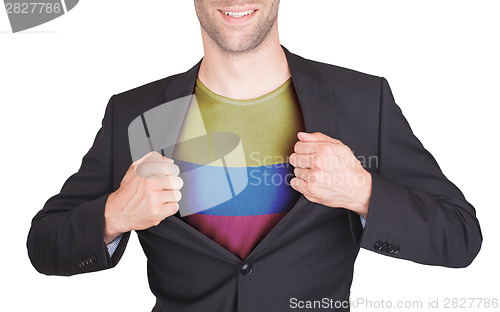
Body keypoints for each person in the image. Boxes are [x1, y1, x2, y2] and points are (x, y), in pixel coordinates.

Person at [27, 1, 482, 311]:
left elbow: (460, 236)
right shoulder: (136, 113)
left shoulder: (362, 101)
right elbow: (44, 245)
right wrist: (114, 214)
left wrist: (363, 192)